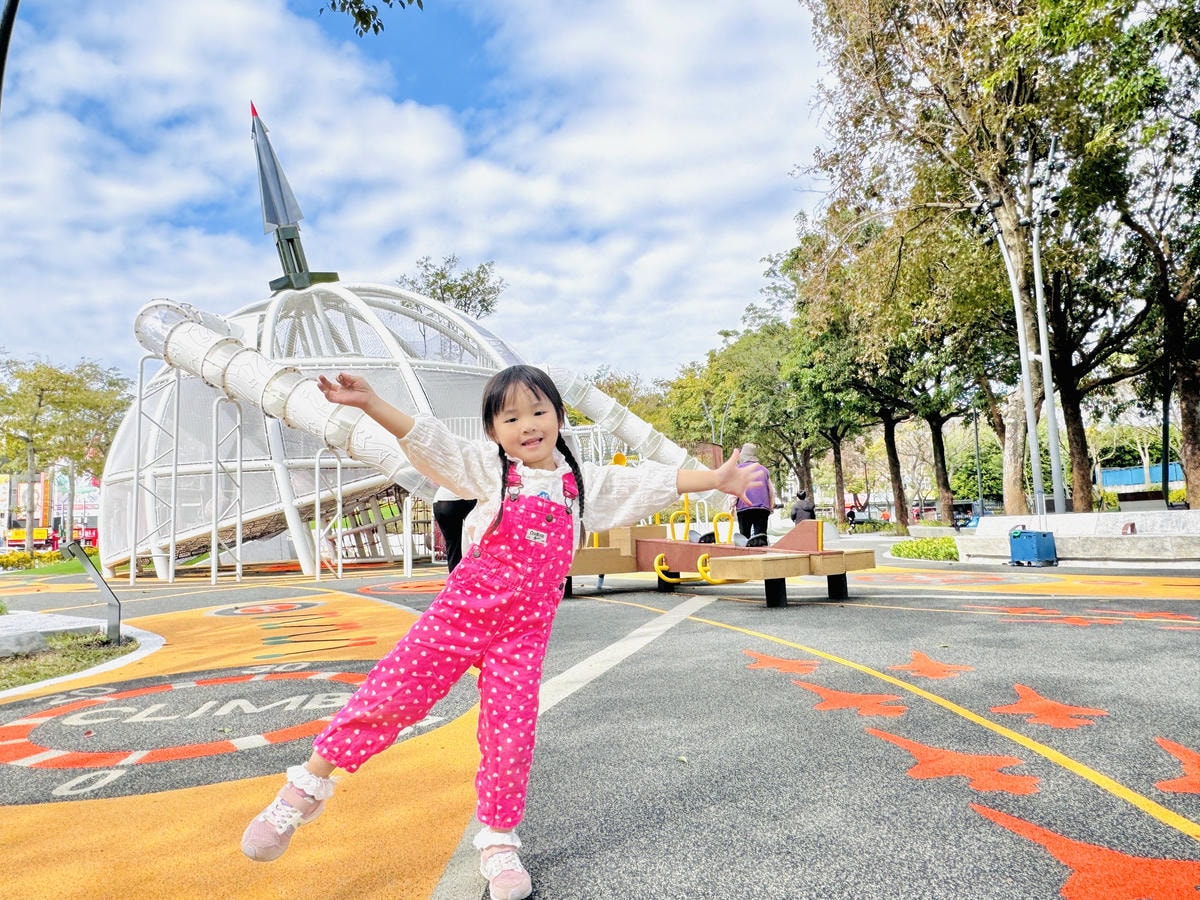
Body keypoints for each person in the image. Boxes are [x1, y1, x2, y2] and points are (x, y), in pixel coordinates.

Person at [240, 365, 764, 900]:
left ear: (559, 417)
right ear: (493, 431)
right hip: (462, 612)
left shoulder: (583, 486)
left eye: (539, 412)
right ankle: (303, 790)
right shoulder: (489, 471)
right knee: (391, 694)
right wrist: (372, 402)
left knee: (510, 737)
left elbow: (655, 482)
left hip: (523, 633)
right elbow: (429, 441)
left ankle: (498, 842)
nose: (528, 425)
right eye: (511, 417)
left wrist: (716, 481)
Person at [731, 443, 774, 542]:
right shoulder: (764, 470)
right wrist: (771, 506)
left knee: (744, 537)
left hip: (744, 508)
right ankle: (761, 552)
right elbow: (771, 491)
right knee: (761, 537)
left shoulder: (738, 470)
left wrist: (732, 506)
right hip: (762, 509)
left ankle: (746, 554)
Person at [432, 485, 477, 572]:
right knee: (479, 541)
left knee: (452, 545)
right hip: (463, 498)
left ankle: (455, 580)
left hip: (439, 501)